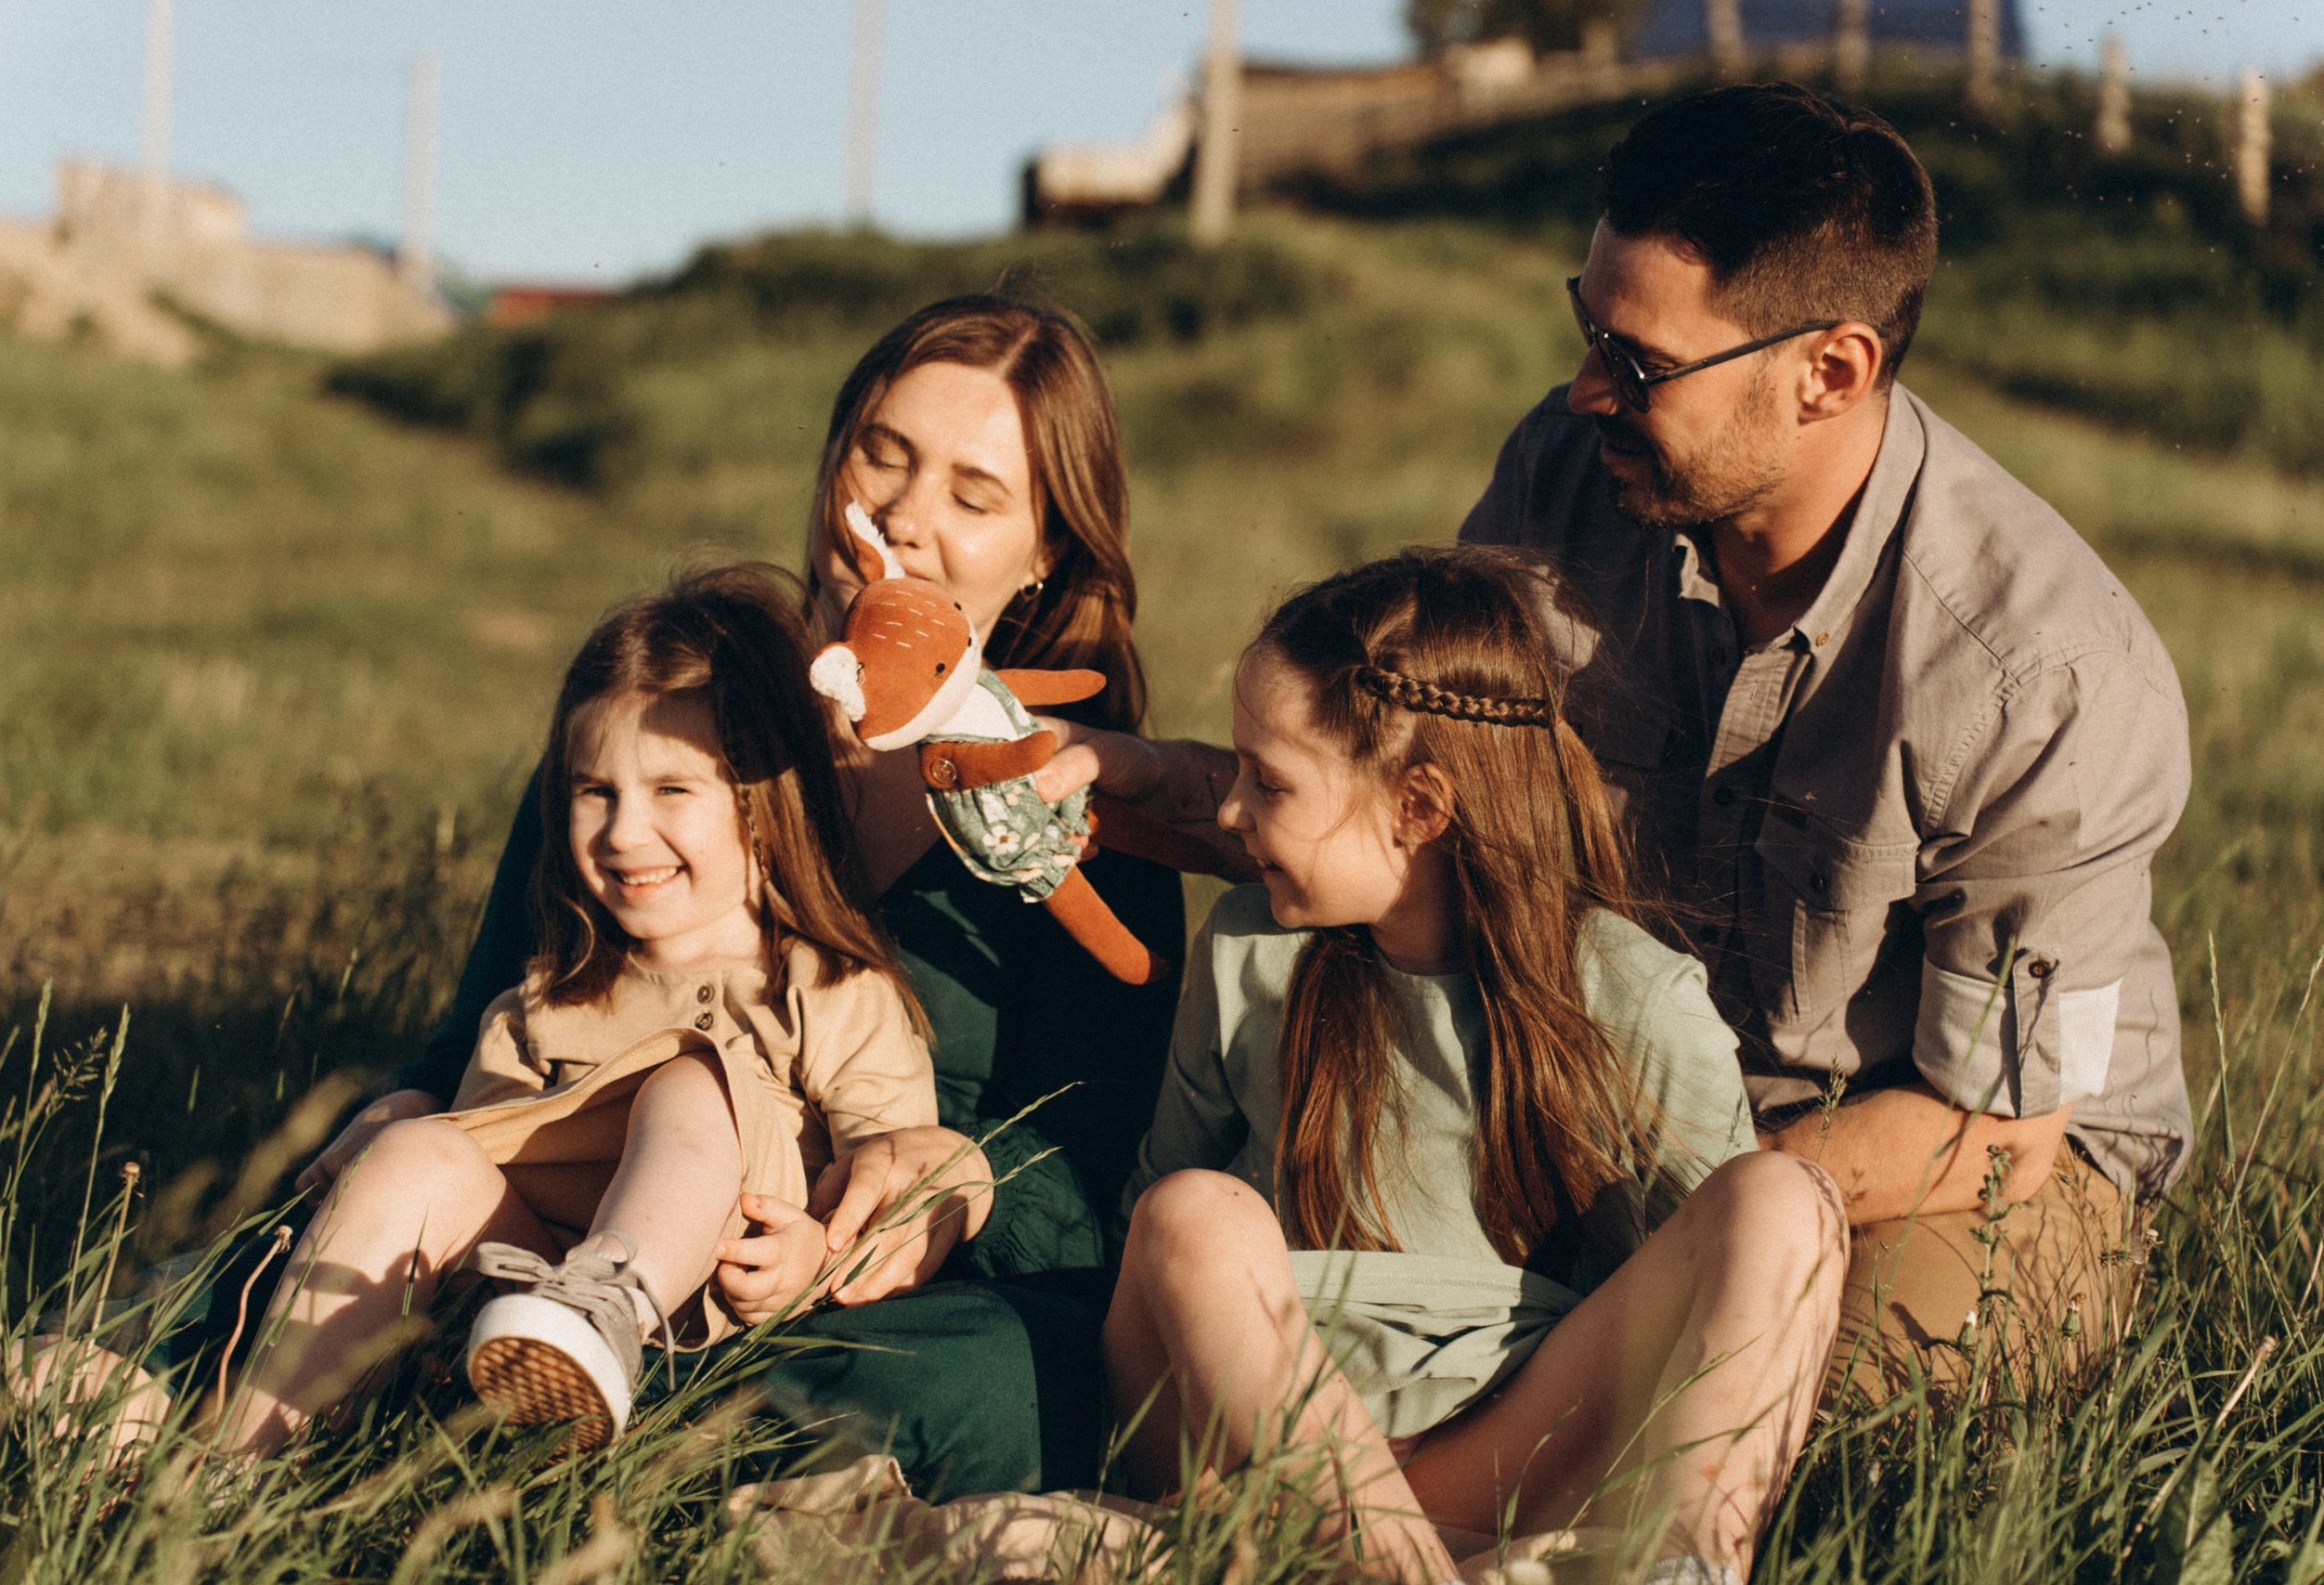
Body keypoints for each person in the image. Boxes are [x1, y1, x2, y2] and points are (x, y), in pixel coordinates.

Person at [1045, 84, 2190, 1401]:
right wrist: (1132, 787)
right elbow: (1402, 805)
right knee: (1326, 1329)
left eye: (1636, 365)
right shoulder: (1569, 471)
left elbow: (2001, 1132)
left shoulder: (2040, 673)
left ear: (1832, 371)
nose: (1587, 388)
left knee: (1773, 1394)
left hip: (1938, 1160)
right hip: (1604, 1080)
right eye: (1587, 329)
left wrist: (1714, 1226)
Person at [290, 294, 1189, 1494]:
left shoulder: (1077, 811)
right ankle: (253, 1398)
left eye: (975, 496)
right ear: (830, 461)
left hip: (862, 1288)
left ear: (1046, 554)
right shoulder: (668, 711)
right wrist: (402, 1103)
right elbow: (499, 1009)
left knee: (986, 1377)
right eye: (883, 455)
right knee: (344, 1222)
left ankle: (500, 1413)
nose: (908, 517)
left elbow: (1084, 1176)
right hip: (555, 1211)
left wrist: (957, 1184)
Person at [1108, 548, 1846, 1584]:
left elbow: (1706, 1295)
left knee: (1786, 1200)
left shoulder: (1631, 999)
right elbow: (1152, 1234)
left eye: (1267, 781)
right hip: (1254, 1437)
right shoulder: (1248, 951)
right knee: (1190, 1211)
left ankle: (1682, 1563)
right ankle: (1380, 1557)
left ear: (1418, 808)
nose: (1229, 812)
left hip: (1502, 1446)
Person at [215, 566, 938, 1455]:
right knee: (416, 1149)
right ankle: (236, 1462)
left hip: (692, 1324)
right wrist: (407, 1130)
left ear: (760, 803)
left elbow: (898, 1179)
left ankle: (607, 1309)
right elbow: (477, 1165)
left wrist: (817, 1260)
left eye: (672, 790)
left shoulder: (828, 987)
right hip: (513, 1301)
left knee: (692, 1078)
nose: (624, 831)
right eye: (596, 792)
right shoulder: (553, 995)